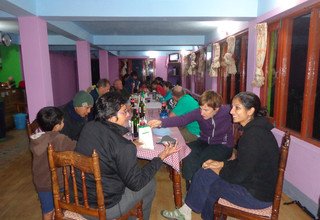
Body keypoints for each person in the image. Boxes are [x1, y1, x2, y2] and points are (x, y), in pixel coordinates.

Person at [161, 91, 280, 220]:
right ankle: (186, 211)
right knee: (205, 173)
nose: (231, 111)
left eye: (237, 108)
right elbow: (245, 163)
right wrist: (221, 164)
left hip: (257, 195)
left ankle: (193, 212)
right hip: (253, 183)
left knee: (210, 186)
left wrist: (220, 169)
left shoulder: (252, 137)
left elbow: (239, 175)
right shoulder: (256, 129)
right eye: (232, 106)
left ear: (250, 111)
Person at [75, 92, 181, 219]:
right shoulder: (124, 147)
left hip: (81, 200)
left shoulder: (89, 127)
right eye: (124, 112)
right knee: (149, 183)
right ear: (111, 118)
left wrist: (129, 144)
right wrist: (161, 157)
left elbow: (108, 147)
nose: (128, 115)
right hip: (105, 209)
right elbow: (136, 184)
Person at [148, 90, 233, 188]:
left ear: (216, 108)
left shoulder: (228, 111)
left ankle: (198, 187)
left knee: (202, 159)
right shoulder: (198, 113)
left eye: (206, 110)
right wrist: (161, 123)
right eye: (200, 108)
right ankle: (191, 185)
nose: (201, 113)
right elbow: (182, 119)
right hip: (204, 141)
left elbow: (246, 113)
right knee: (187, 151)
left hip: (223, 145)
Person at [30, 107, 76, 220]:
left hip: (41, 183)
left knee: (47, 211)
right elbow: (78, 147)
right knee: (63, 207)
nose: (64, 123)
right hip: (58, 183)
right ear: (57, 126)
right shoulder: (60, 139)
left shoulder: (36, 140)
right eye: (63, 121)